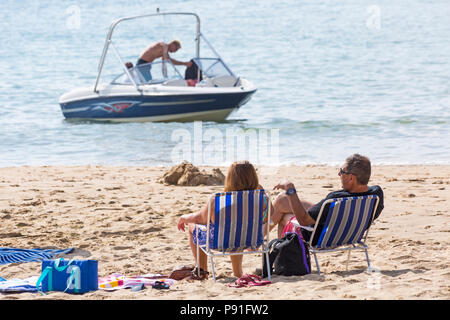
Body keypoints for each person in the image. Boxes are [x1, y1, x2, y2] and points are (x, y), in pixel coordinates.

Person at [177, 161, 272, 279]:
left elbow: (199, 218)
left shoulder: (219, 199)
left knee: (193, 226)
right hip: (251, 239)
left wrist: (183, 218)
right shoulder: (261, 198)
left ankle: (202, 270)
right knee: (238, 229)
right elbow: (269, 216)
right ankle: (237, 272)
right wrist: (260, 190)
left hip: (221, 242)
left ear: (230, 179)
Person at [271, 154, 384, 242]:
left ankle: (266, 249)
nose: (338, 174)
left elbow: (304, 221)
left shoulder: (335, 199)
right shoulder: (376, 194)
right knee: (282, 200)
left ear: (351, 178)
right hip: (350, 233)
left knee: (284, 216)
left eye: (342, 171)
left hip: (322, 236)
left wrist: (290, 189)